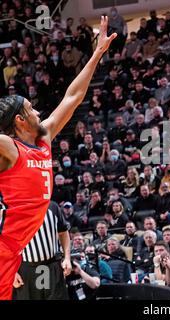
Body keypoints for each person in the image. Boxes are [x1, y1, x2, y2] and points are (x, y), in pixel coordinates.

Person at [0, 16, 116, 300]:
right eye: (31, 109)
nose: (38, 111)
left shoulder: (44, 137)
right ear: (19, 120)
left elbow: (73, 96)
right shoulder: (7, 146)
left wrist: (97, 53)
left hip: (18, 247)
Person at [13, 201, 71, 300]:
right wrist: (12, 272)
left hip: (52, 266)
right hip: (26, 270)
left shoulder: (52, 206)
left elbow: (63, 233)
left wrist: (67, 258)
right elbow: (5, 244)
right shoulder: (12, 210)